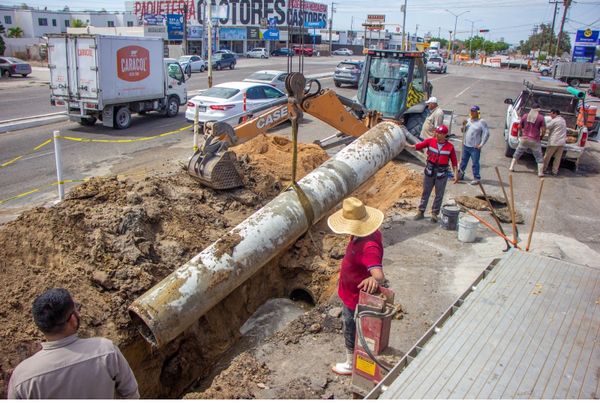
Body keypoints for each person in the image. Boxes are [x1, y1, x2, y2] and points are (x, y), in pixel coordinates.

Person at [7, 288, 139, 399]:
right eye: (76, 309)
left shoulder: (22, 378)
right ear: (72, 320)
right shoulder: (106, 351)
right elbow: (131, 394)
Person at [327, 197, 386, 376]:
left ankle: (351, 363)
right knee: (351, 326)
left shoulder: (368, 246)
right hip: (349, 293)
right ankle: (355, 360)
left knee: (351, 328)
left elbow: (379, 275)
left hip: (355, 299)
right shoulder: (364, 234)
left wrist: (374, 279)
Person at [408, 124, 458, 222]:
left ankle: (435, 213)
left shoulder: (450, 147)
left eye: (440, 134)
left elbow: (454, 162)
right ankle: (421, 211)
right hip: (430, 171)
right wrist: (405, 145)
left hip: (441, 174)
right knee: (426, 192)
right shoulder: (430, 142)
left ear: (445, 135)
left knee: (439, 194)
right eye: (437, 133)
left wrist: (456, 175)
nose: (438, 135)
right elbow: (417, 146)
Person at [510, 103, 546, 177]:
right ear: (538, 110)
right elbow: (543, 129)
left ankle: (511, 167)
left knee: (518, 152)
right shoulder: (541, 118)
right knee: (539, 157)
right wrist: (541, 136)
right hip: (535, 139)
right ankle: (540, 173)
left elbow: (519, 126)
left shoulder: (525, 116)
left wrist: (520, 133)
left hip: (525, 138)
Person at [458, 105, 490, 185]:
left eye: (474, 111)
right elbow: (463, 131)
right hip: (466, 145)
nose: (472, 113)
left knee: (475, 163)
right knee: (463, 162)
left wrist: (481, 144)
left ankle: (477, 178)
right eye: (471, 111)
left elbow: (487, 134)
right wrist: (463, 125)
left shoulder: (481, 122)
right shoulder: (468, 120)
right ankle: (460, 175)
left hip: (474, 147)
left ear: (478, 112)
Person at [543, 108, 567, 176]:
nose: (550, 115)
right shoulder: (563, 120)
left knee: (547, 156)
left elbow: (547, 127)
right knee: (557, 158)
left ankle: (543, 169)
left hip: (554, 141)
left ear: (555, 113)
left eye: (551, 113)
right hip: (562, 142)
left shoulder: (555, 120)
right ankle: (554, 171)